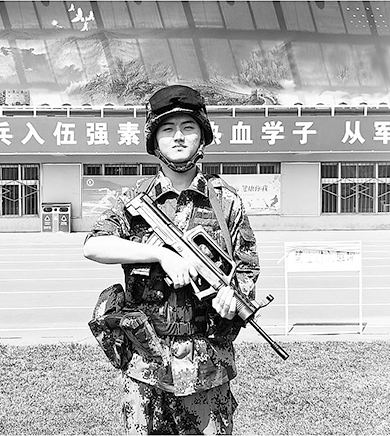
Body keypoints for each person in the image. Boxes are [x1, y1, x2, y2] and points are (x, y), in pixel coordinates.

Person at [83, 84, 260, 435]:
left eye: (188, 127)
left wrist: (233, 295)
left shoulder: (226, 202)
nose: (178, 137)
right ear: (155, 140)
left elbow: (247, 266)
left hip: (207, 366)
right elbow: (94, 245)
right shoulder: (134, 200)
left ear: (202, 136)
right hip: (147, 365)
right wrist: (161, 254)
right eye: (168, 129)